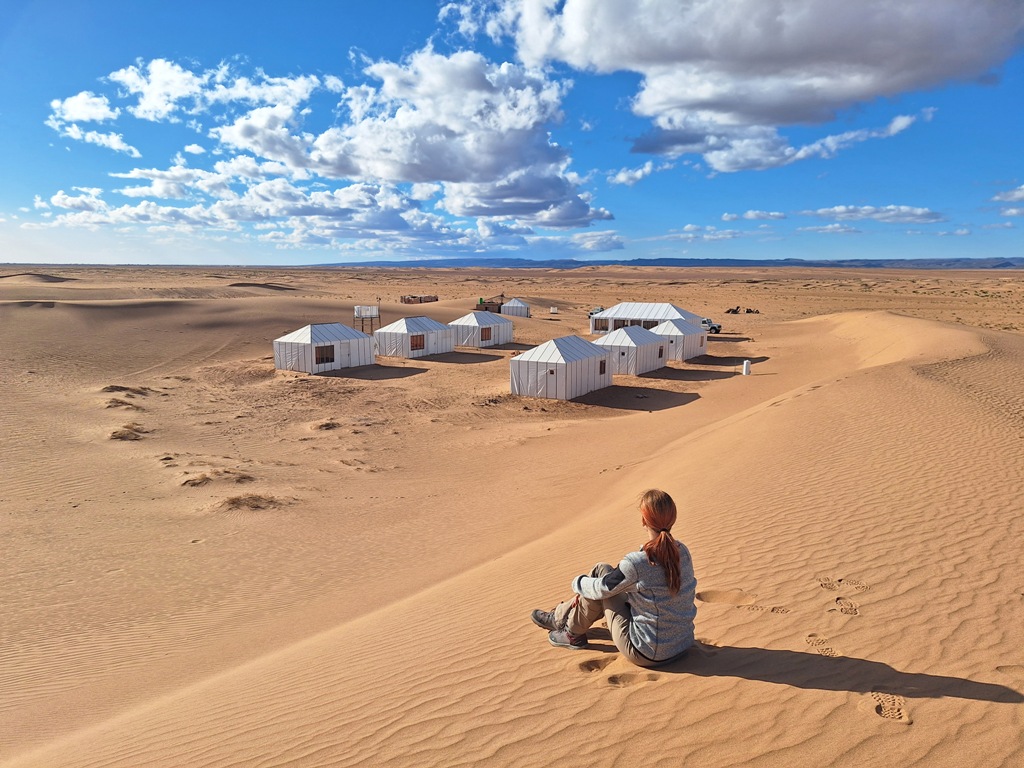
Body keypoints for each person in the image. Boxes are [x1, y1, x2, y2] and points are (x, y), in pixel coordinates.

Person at [530, 489, 697, 667]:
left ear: (643, 521)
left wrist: (577, 582)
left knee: (598, 581)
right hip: (682, 644)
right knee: (603, 570)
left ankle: (570, 632)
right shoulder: (683, 552)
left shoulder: (638, 562)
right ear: (673, 519)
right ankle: (560, 616)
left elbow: (601, 588)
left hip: (648, 653)